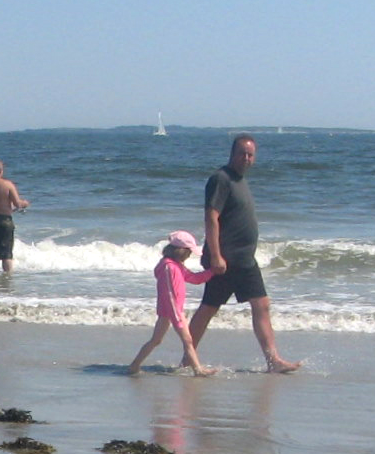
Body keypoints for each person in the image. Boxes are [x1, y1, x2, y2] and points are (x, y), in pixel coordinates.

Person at [187, 134, 301, 373]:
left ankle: (273, 360)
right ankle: (188, 357)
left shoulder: (240, 180)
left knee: (261, 305)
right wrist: (215, 255)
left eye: (250, 155)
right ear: (232, 153)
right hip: (227, 260)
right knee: (209, 307)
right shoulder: (221, 179)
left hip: (244, 259)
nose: (247, 158)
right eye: (242, 153)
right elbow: (211, 217)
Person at [127, 231, 216, 375]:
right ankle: (198, 370)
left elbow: (194, 278)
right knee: (187, 340)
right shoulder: (169, 267)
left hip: (171, 311)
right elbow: (169, 293)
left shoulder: (176, 266)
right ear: (181, 251)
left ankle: (134, 365)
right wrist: (176, 316)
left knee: (156, 340)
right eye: (189, 252)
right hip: (172, 311)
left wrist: (212, 272)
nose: (190, 255)